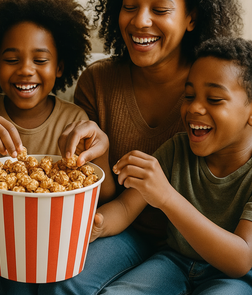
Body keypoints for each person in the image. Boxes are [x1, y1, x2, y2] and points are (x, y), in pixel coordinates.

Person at [38, 0, 243, 294]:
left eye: (160, 9)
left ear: (191, 16)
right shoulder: (98, 82)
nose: (140, 21)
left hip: (193, 245)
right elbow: (104, 197)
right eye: (129, 6)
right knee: (63, 280)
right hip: (127, 229)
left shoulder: (218, 90)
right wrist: (99, 153)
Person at [0, 0, 115, 295]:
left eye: (40, 60)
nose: (25, 70)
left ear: (60, 67)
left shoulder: (75, 121)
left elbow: (104, 193)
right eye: (11, 59)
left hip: (51, 234)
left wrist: (101, 149)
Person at [93, 36, 252, 294]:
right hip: (173, 261)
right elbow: (125, 206)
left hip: (230, 278)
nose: (194, 108)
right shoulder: (177, 149)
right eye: (189, 96)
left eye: (213, 99)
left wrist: (166, 197)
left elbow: (240, 260)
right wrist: (97, 224)